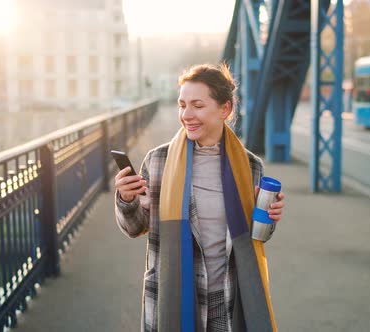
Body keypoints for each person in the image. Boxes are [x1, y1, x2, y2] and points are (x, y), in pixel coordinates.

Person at [114, 63, 285, 332]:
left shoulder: (251, 167)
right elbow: (135, 227)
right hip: (173, 301)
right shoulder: (158, 161)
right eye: (182, 105)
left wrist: (270, 217)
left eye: (197, 105)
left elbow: (257, 237)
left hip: (228, 302)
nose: (186, 115)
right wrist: (126, 199)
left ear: (225, 109)